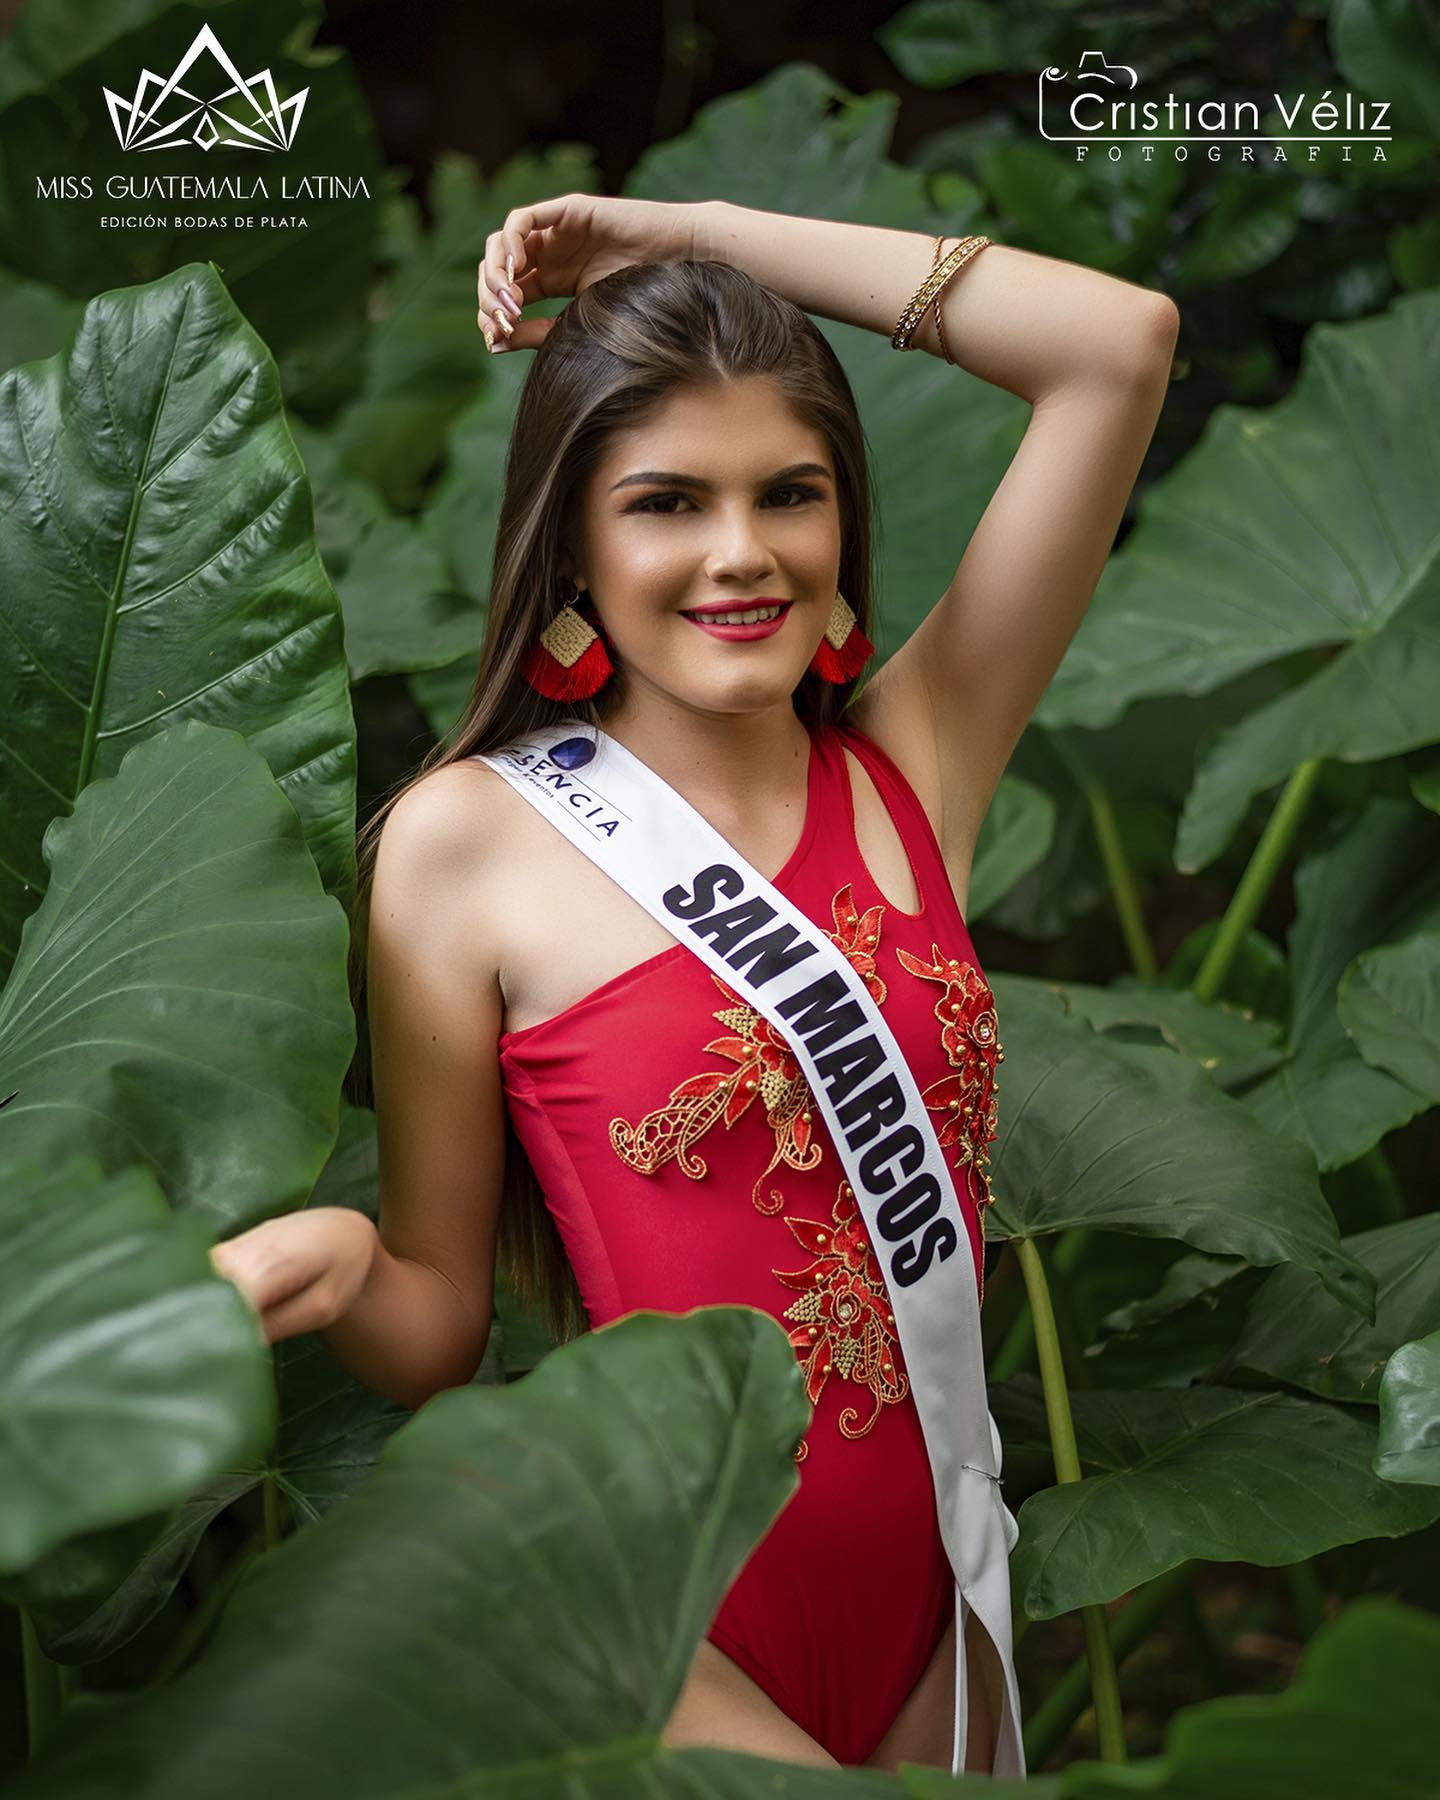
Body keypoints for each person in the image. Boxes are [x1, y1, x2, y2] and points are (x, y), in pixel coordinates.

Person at [209, 193, 1178, 1773]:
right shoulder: (466, 846)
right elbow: (440, 1329)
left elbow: (1114, 349)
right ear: (574, 544)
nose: (743, 554)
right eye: (666, 502)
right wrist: (339, 1260)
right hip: (655, 1604)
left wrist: (694, 233)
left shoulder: (913, 770)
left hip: (939, 1599)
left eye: (789, 494)